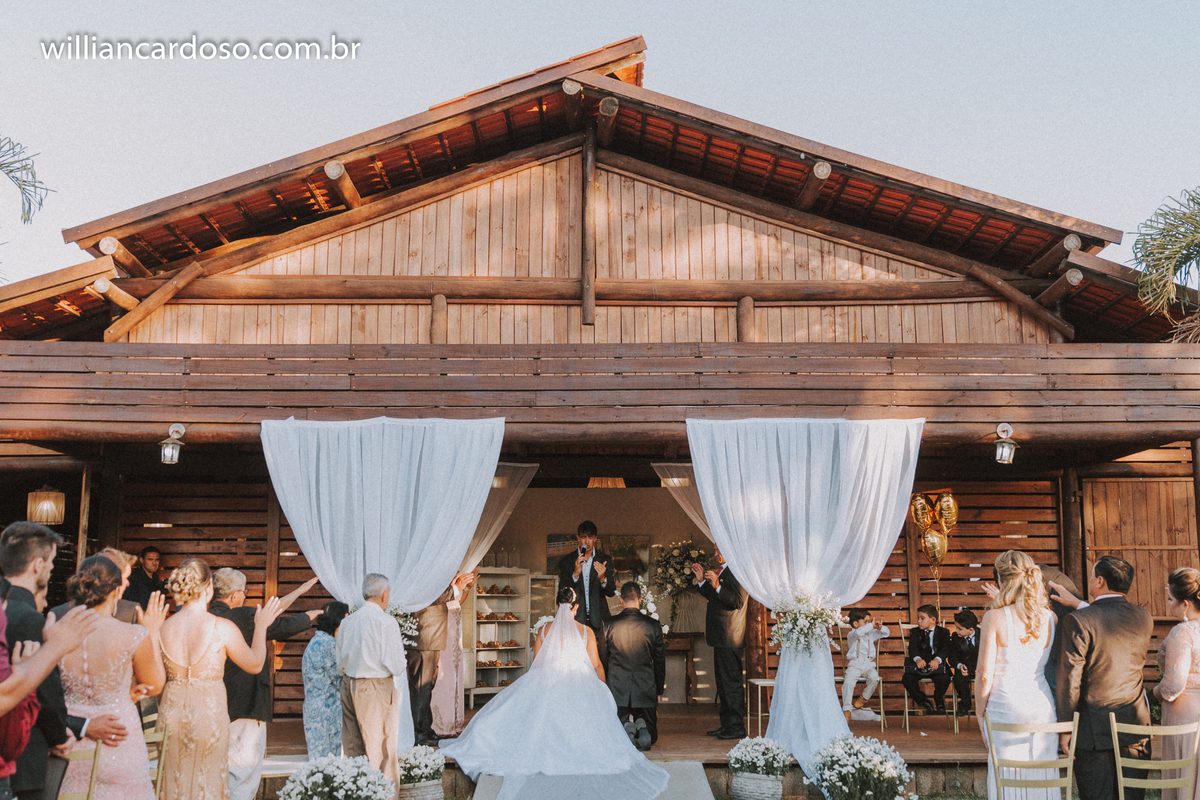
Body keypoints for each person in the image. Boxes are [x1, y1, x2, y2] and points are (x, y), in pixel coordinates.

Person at [440, 586, 669, 800]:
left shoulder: (543, 630)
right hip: (579, 683)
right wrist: (601, 689)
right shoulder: (586, 631)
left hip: (547, 681)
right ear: (576, 607)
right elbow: (597, 665)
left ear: (556, 606)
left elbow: (537, 664)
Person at [0, 523, 129, 800]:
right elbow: (44, 692)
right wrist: (60, 736)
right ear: (37, 564)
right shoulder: (32, 620)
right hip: (23, 758)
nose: (51, 569)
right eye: (52, 562)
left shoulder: (5, 609)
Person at [157, 558, 282, 800]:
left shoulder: (163, 628)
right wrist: (261, 625)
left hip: (170, 714)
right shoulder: (220, 627)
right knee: (209, 780)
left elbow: (154, 681)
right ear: (208, 590)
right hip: (208, 713)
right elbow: (255, 664)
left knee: (173, 782)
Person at [58, 555, 168, 799]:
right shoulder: (133, 634)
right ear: (117, 591)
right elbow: (155, 684)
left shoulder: (56, 629)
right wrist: (152, 632)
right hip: (118, 735)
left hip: (68, 738)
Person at [209, 569, 319, 800]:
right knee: (242, 774)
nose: (246, 597)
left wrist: (298, 591)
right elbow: (283, 626)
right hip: (243, 705)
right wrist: (313, 615)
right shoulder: (243, 617)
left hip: (210, 706)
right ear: (233, 596)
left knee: (214, 771)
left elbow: (270, 613)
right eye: (244, 592)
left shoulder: (205, 615)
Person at [1056, 555, 1153, 800]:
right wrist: (1079, 604)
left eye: (1091, 575)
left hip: (1091, 729)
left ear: (1099, 581)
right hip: (1135, 725)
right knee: (1132, 796)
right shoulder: (1144, 617)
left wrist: (1066, 726)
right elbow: (1107, 618)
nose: (1089, 580)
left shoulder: (1078, 621)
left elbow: (1070, 680)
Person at [975, 550, 1058, 800]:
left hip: (1005, 706)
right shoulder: (1050, 617)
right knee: (1042, 776)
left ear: (1001, 580)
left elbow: (984, 674)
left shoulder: (995, 617)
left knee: (1007, 779)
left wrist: (979, 712)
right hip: (1042, 706)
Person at [336, 573, 405, 795]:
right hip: (375, 687)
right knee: (383, 751)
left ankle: (357, 794)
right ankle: (383, 796)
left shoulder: (347, 622)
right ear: (385, 595)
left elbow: (340, 662)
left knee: (353, 748)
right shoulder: (386, 622)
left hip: (349, 684)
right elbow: (396, 665)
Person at [408, 571, 476, 747]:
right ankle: (419, 735)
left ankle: (426, 729)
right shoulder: (422, 575)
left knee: (427, 687)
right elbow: (432, 596)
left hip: (431, 638)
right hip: (424, 639)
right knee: (421, 689)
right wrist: (456, 587)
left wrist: (454, 585)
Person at [691, 546, 748, 740]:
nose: (715, 554)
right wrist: (702, 583)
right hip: (721, 637)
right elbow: (717, 599)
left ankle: (737, 727)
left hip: (731, 637)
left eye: (718, 550)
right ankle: (727, 725)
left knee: (731, 683)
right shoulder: (725, 570)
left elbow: (738, 601)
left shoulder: (738, 570)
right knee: (723, 684)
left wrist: (717, 585)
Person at [601, 581, 665, 751]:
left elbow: (603, 659)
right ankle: (641, 728)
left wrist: (605, 688)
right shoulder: (653, 625)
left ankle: (626, 727)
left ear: (621, 600)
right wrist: (658, 690)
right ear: (640, 599)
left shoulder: (608, 624)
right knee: (652, 738)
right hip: (645, 688)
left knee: (615, 735)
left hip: (617, 690)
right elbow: (659, 661)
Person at [1153, 567, 1200, 800]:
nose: (1169, 605)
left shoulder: (1183, 632)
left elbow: (1173, 685)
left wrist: (1155, 692)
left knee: (1185, 771)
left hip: (1186, 713)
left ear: (1185, 605)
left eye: (1171, 599)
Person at [302, 601, 348, 759]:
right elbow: (338, 679)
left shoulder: (315, 641)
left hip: (313, 706)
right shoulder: (329, 645)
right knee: (329, 758)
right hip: (327, 710)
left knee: (317, 757)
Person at [556, 521, 616, 635]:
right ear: (578, 538)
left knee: (598, 653)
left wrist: (603, 578)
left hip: (599, 621)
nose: (586, 541)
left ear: (595, 538)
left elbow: (611, 591)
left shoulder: (604, 559)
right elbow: (562, 591)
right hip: (575, 620)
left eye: (590, 537)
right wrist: (575, 575)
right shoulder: (568, 561)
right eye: (583, 537)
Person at [902, 604, 952, 714]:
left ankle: (938, 698)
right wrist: (917, 659)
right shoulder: (915, 632)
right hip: (920, 666)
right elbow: (912, 649)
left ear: (933, 620)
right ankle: (923, 701)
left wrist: (938, 659)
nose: (919, 621)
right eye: (918, 618)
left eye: (922, 618)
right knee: (907, 679)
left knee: (944, 678)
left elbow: (945, 648)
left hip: (936, 666)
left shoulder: (944, 632)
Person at [842, 609, 889, 722]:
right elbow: (859, 633)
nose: (869, 624)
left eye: (869, 622)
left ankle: (864, 698)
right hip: (855, 663)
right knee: (848, 681)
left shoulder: (871, 634)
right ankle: (847, 709)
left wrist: (880, 627)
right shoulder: (852, 634)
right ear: (855, 624)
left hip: (868, 664)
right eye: (866, 622)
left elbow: (886, 633)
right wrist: (870, 625)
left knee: (874, 678)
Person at [949, 609, 979, 717]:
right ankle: (965, 704)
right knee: (959, 678)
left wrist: (980, 668)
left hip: (979, 667)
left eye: (959, 629)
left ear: (971, 630)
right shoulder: (956, 637)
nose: (956, 630)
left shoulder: (983, 635)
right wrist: (959, 665)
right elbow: (952, 657)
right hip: (963, 668)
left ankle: (986, 707)